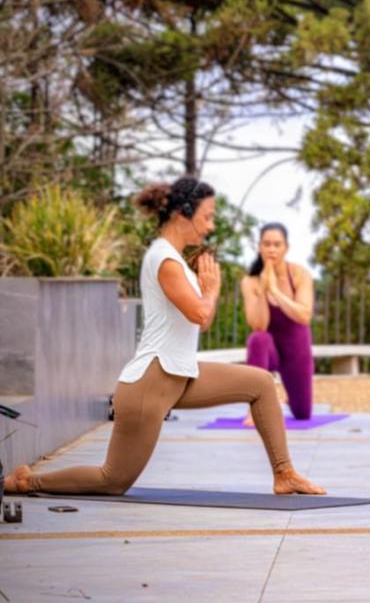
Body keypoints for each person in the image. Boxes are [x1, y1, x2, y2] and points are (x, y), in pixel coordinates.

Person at [2, 178, 324, 496]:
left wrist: (206, 292)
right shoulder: (165, 259)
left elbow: (202, 322)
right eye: (207, 216)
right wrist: (210, 290)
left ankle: (285, 474)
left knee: (261, 384)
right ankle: (27, 481)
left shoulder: (175, 259)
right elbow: (200, 313)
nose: (210, 226)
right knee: (113, 480)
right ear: (183, 214)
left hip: (178, 376)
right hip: (150, 384)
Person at [241, 223, 315, 421]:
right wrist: (264, 290)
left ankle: (287, 396)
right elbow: (259, 325)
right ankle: (255, 408)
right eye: (266, 244)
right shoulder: (250, 282)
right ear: (259, 247)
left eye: (277, 244)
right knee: (258, 338)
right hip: (269, 352)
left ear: (286, 248)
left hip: (296, 351)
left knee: (302, 413)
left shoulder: (299, 274)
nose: (271, 249)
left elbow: (304, 315)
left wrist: (275, 291)